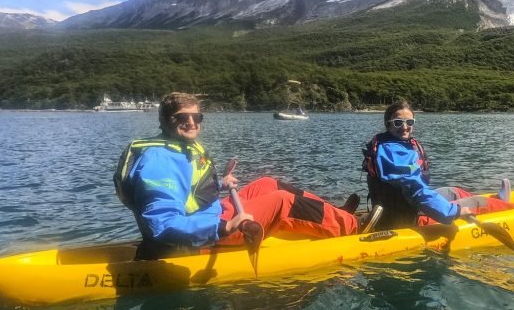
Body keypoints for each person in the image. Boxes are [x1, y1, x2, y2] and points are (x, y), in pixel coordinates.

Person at [116, 92, 358, 260]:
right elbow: (163, 224)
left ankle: (337, 213)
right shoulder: (159, 160)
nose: (191, 122)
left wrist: (220, 184)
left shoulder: (177, 147)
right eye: (181, 117)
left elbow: (186, 190)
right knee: (281, 201)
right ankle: (353, 228)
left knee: (268, 183)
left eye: (196, 117)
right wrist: (225, 226)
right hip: (196, 238)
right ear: (164, 120)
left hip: (208, 213)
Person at [362, 100, 514, 230]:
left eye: (409, 122)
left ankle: (501, 201)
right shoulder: (392, 152)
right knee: (478, 203)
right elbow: (414, 188)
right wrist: (454, 212)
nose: (404, 127)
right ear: (387, 124)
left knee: (454, 192)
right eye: (398, 122)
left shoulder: (392, 143)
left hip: (407, 204)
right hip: (405, 217)